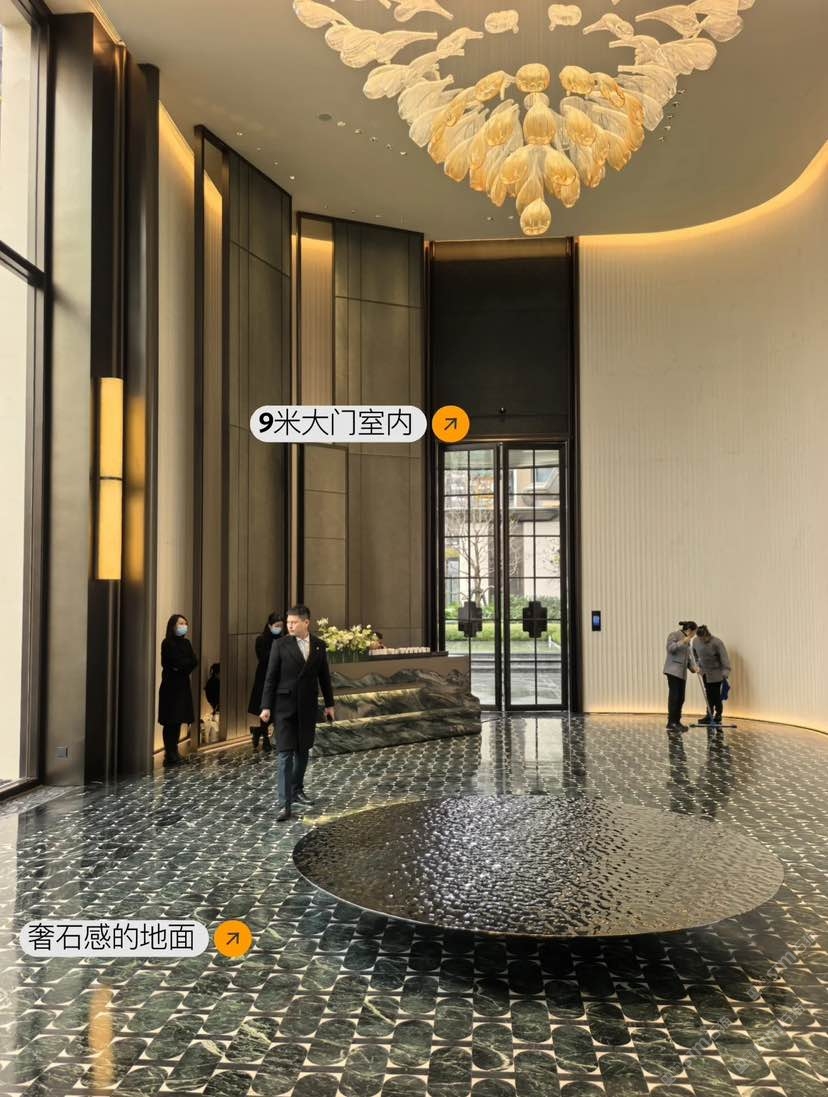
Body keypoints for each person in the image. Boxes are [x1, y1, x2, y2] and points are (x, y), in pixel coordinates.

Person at [260, 604, 335, 821]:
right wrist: (266, 706)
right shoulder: (280, 645)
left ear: (306, 623)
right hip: (284, 707)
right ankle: (284, 804)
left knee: (303, 752)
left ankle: (297, 789)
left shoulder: (319, 646)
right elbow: (270, 677)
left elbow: (324, 677)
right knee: (285, 754)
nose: (290, 626)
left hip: (307, 706)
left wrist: (329, 704)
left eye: (294, 622)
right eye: (288, 623)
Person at [158, 614, 198, 765]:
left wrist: (182, 666)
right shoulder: (167, 643)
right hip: (170, 687)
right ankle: (169, 753)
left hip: (183, 686)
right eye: (181, 623)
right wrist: (182, 665)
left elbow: (193, 661)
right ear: (173, 626)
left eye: (185, 623)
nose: (184, 626)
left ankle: (174, 752)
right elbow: (173, 663)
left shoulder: (186, 643)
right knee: (170, 721)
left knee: (179, 719)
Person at [247, 612, 284, 752]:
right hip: (264, 679)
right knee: (265, 709)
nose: (279, 628)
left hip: (279, 679)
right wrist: (276, 648)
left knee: (277, 709)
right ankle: (266, 739)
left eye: (281, 626)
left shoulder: (283, 639)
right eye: (276, 626)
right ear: (269, 626)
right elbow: (263, 658)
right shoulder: (261, 640)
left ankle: (258, 731)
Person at [692, 625, 731, 726]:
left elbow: (724, 658)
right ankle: (709, 715)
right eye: (700, 638)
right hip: (705, 672)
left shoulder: (717, 642)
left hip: (716, 672)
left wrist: (726, 672)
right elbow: (694, 653)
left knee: (716, 695)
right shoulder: (695, 641)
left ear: (707, 634)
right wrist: (697, 664)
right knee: (708, 694)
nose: (702, 640)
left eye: (704, 638)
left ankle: (718, 714)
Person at [663, 620, 697, 732]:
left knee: (681, 698)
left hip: (682, 673)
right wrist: (682, 641)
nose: (694, 635)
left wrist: (692, 668)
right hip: (673, 671)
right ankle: (671, 722)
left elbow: (687, 658)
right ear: (690, 630)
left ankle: (677, 721)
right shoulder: (674, 635)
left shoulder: (688, 641)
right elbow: (670, 649)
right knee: (675, 697)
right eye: (694, 632)